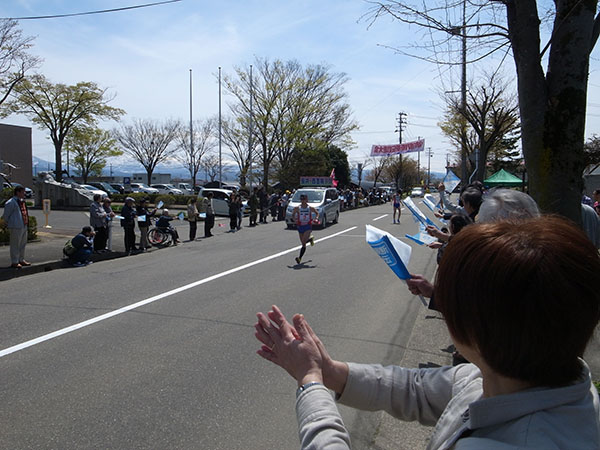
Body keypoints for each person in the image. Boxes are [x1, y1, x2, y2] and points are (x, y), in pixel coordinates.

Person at [254, 216, 600, 449]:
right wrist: (331, 372)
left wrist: (311, 383)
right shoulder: (521, 379)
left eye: (450, 295)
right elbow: (414, 389)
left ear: (471, 327)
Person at [1, 186, 30, 268]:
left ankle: (21, 259)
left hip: (23, 224)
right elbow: (6, 215)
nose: (24, 194)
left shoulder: (22, 201)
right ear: (18, 192)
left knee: (22, 244)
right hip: (15, 226)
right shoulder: (10, 202)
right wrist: (5, 224)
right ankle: (15, 261)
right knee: (15, 244)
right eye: (22, 192)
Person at [291, 193, 318, 265]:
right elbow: (293, 215)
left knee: (303, 243)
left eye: (304, 199)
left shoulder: (310, 208)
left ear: (307, 200)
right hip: (300, 226)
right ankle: (310, 239)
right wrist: (294, 219)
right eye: (302, 199)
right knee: (303, 243)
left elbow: (316, 213)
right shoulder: (297, 208)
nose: (303, 201)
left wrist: (316, 219)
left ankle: (299, 258)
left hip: (308, 226)